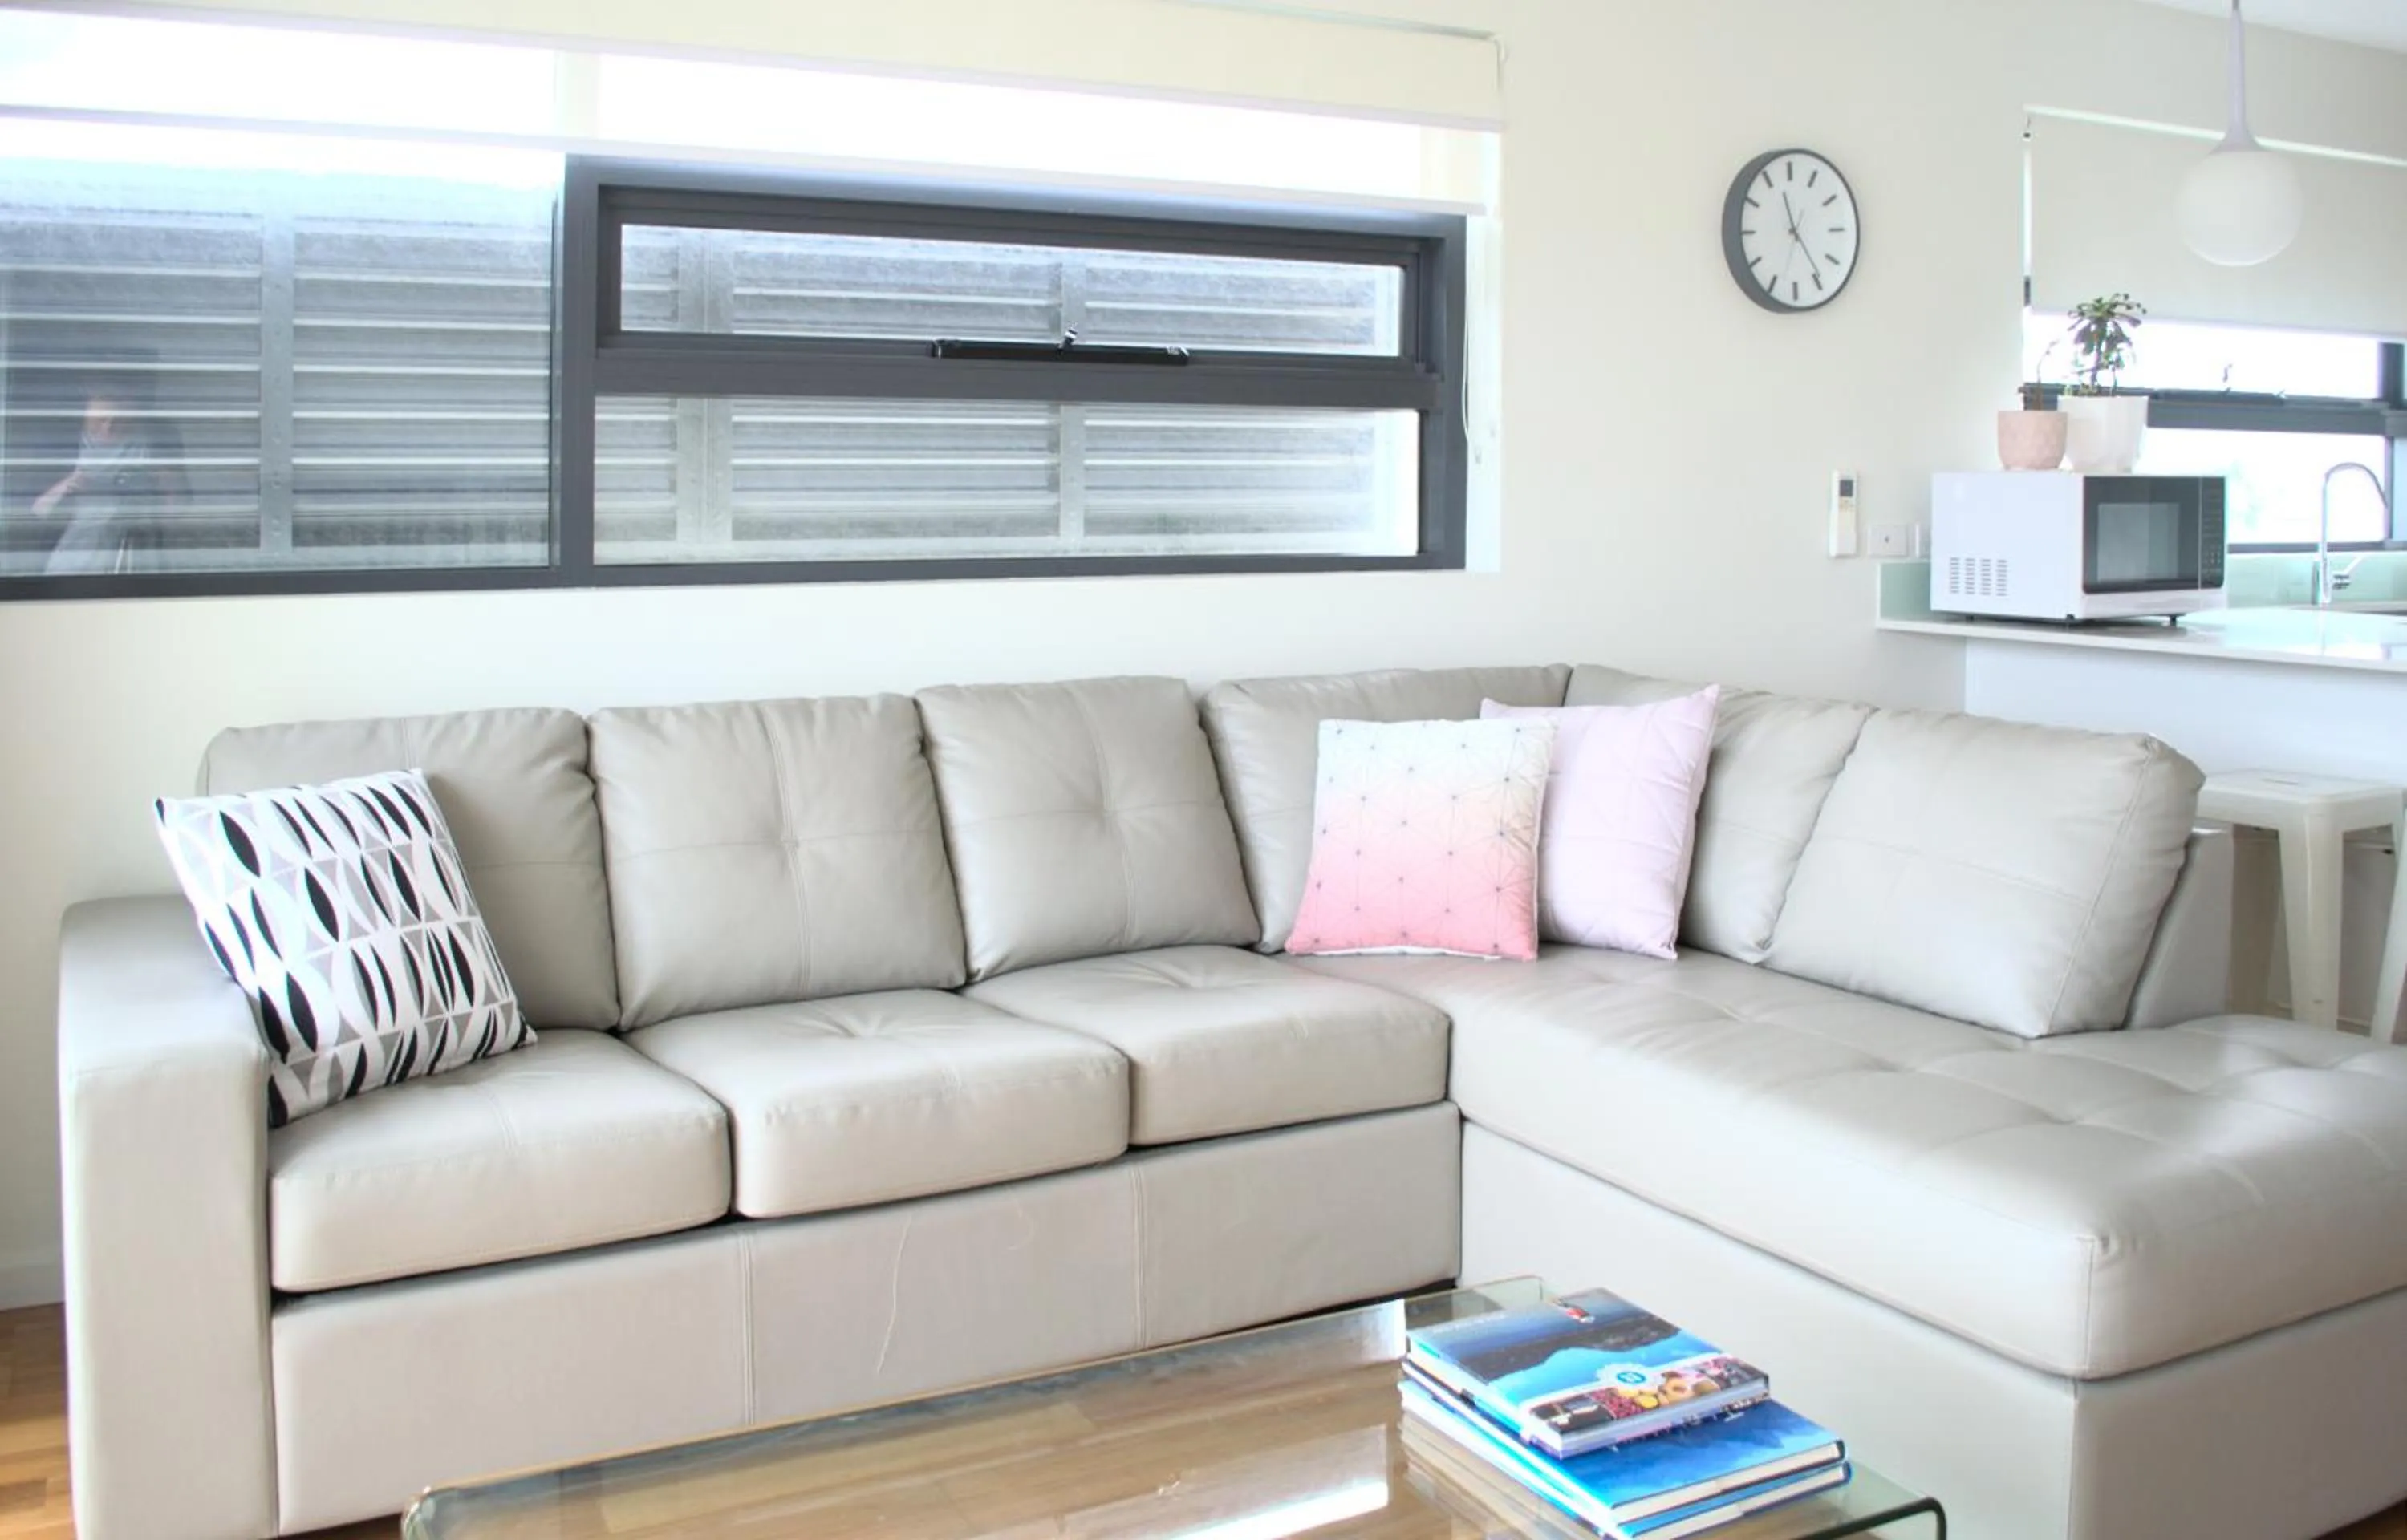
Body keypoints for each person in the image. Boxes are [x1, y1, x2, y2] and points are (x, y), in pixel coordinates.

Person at [31, 372, 180, 575]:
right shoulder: (64, 443)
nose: (108, 428)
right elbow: (37, 510)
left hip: (128, 549)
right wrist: (68, 486)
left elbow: (172, 507)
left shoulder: (152, 442)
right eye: (100, 420)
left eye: (118, 420)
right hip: (76, 550)